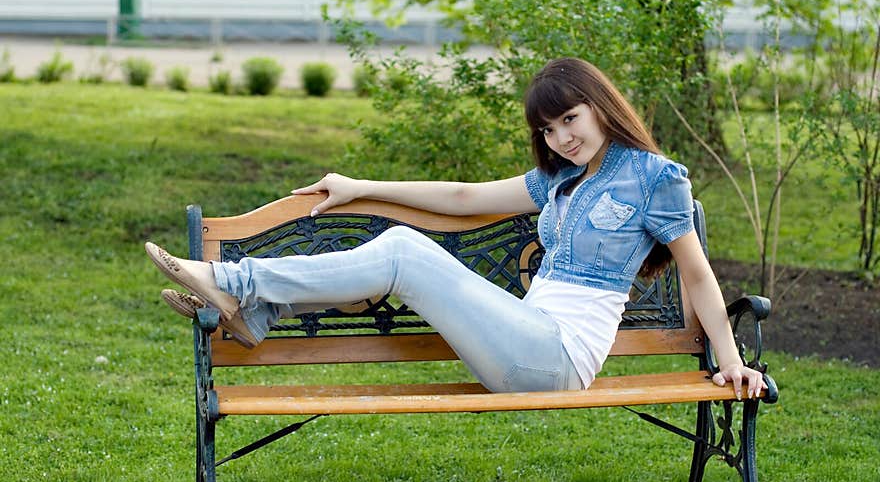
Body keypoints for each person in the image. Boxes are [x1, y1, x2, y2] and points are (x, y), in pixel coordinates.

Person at [146, 57, 767, 400]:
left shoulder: (657, 178)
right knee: (404, 248)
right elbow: (465, 197)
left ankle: (230, 280)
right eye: (549, 130)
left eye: (570, 120)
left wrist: (732, 359)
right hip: (528, 335)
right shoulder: (559, 178)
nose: (561, 138)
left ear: (601, 106)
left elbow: (697, 273)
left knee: (405, 253)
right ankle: (252, 310)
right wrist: (363, 186)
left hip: (556, 359)